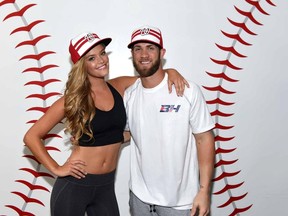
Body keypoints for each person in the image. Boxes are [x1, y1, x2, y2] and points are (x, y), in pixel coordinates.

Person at [23, 31, 187, 216]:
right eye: (92, 58)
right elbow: (31, 136)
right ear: (81, 65)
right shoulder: (72, 99)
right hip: (74, 185)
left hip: (106, 187)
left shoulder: (119, 85)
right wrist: (56, 168)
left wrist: (171, 71)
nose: (101, 60)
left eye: (102, 53)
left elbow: (152, 79)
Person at [124, 25, 215, 216]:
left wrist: (204, 191)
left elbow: (204, 139)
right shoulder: (130, 94)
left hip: (180, 203)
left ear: (162, 52)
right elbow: (128, 132)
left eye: (151, 48)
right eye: (137, 48)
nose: (144, 54)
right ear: (132, 54)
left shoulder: (188, 90)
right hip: (140, 198)